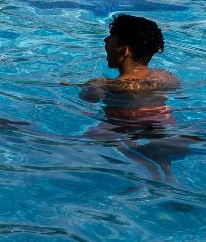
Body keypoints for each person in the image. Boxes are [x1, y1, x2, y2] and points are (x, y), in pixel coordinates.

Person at [81, 14, 189, 182]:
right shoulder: (167, 78)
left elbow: (88, 99)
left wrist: (85, 86)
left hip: (123, 129)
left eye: (111, 38)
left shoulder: (105, 85)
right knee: (160, 158)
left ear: (125, 51)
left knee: (91, 138)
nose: (105, 41)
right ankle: (167, 175)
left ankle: (150, 171)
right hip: (166, 129)